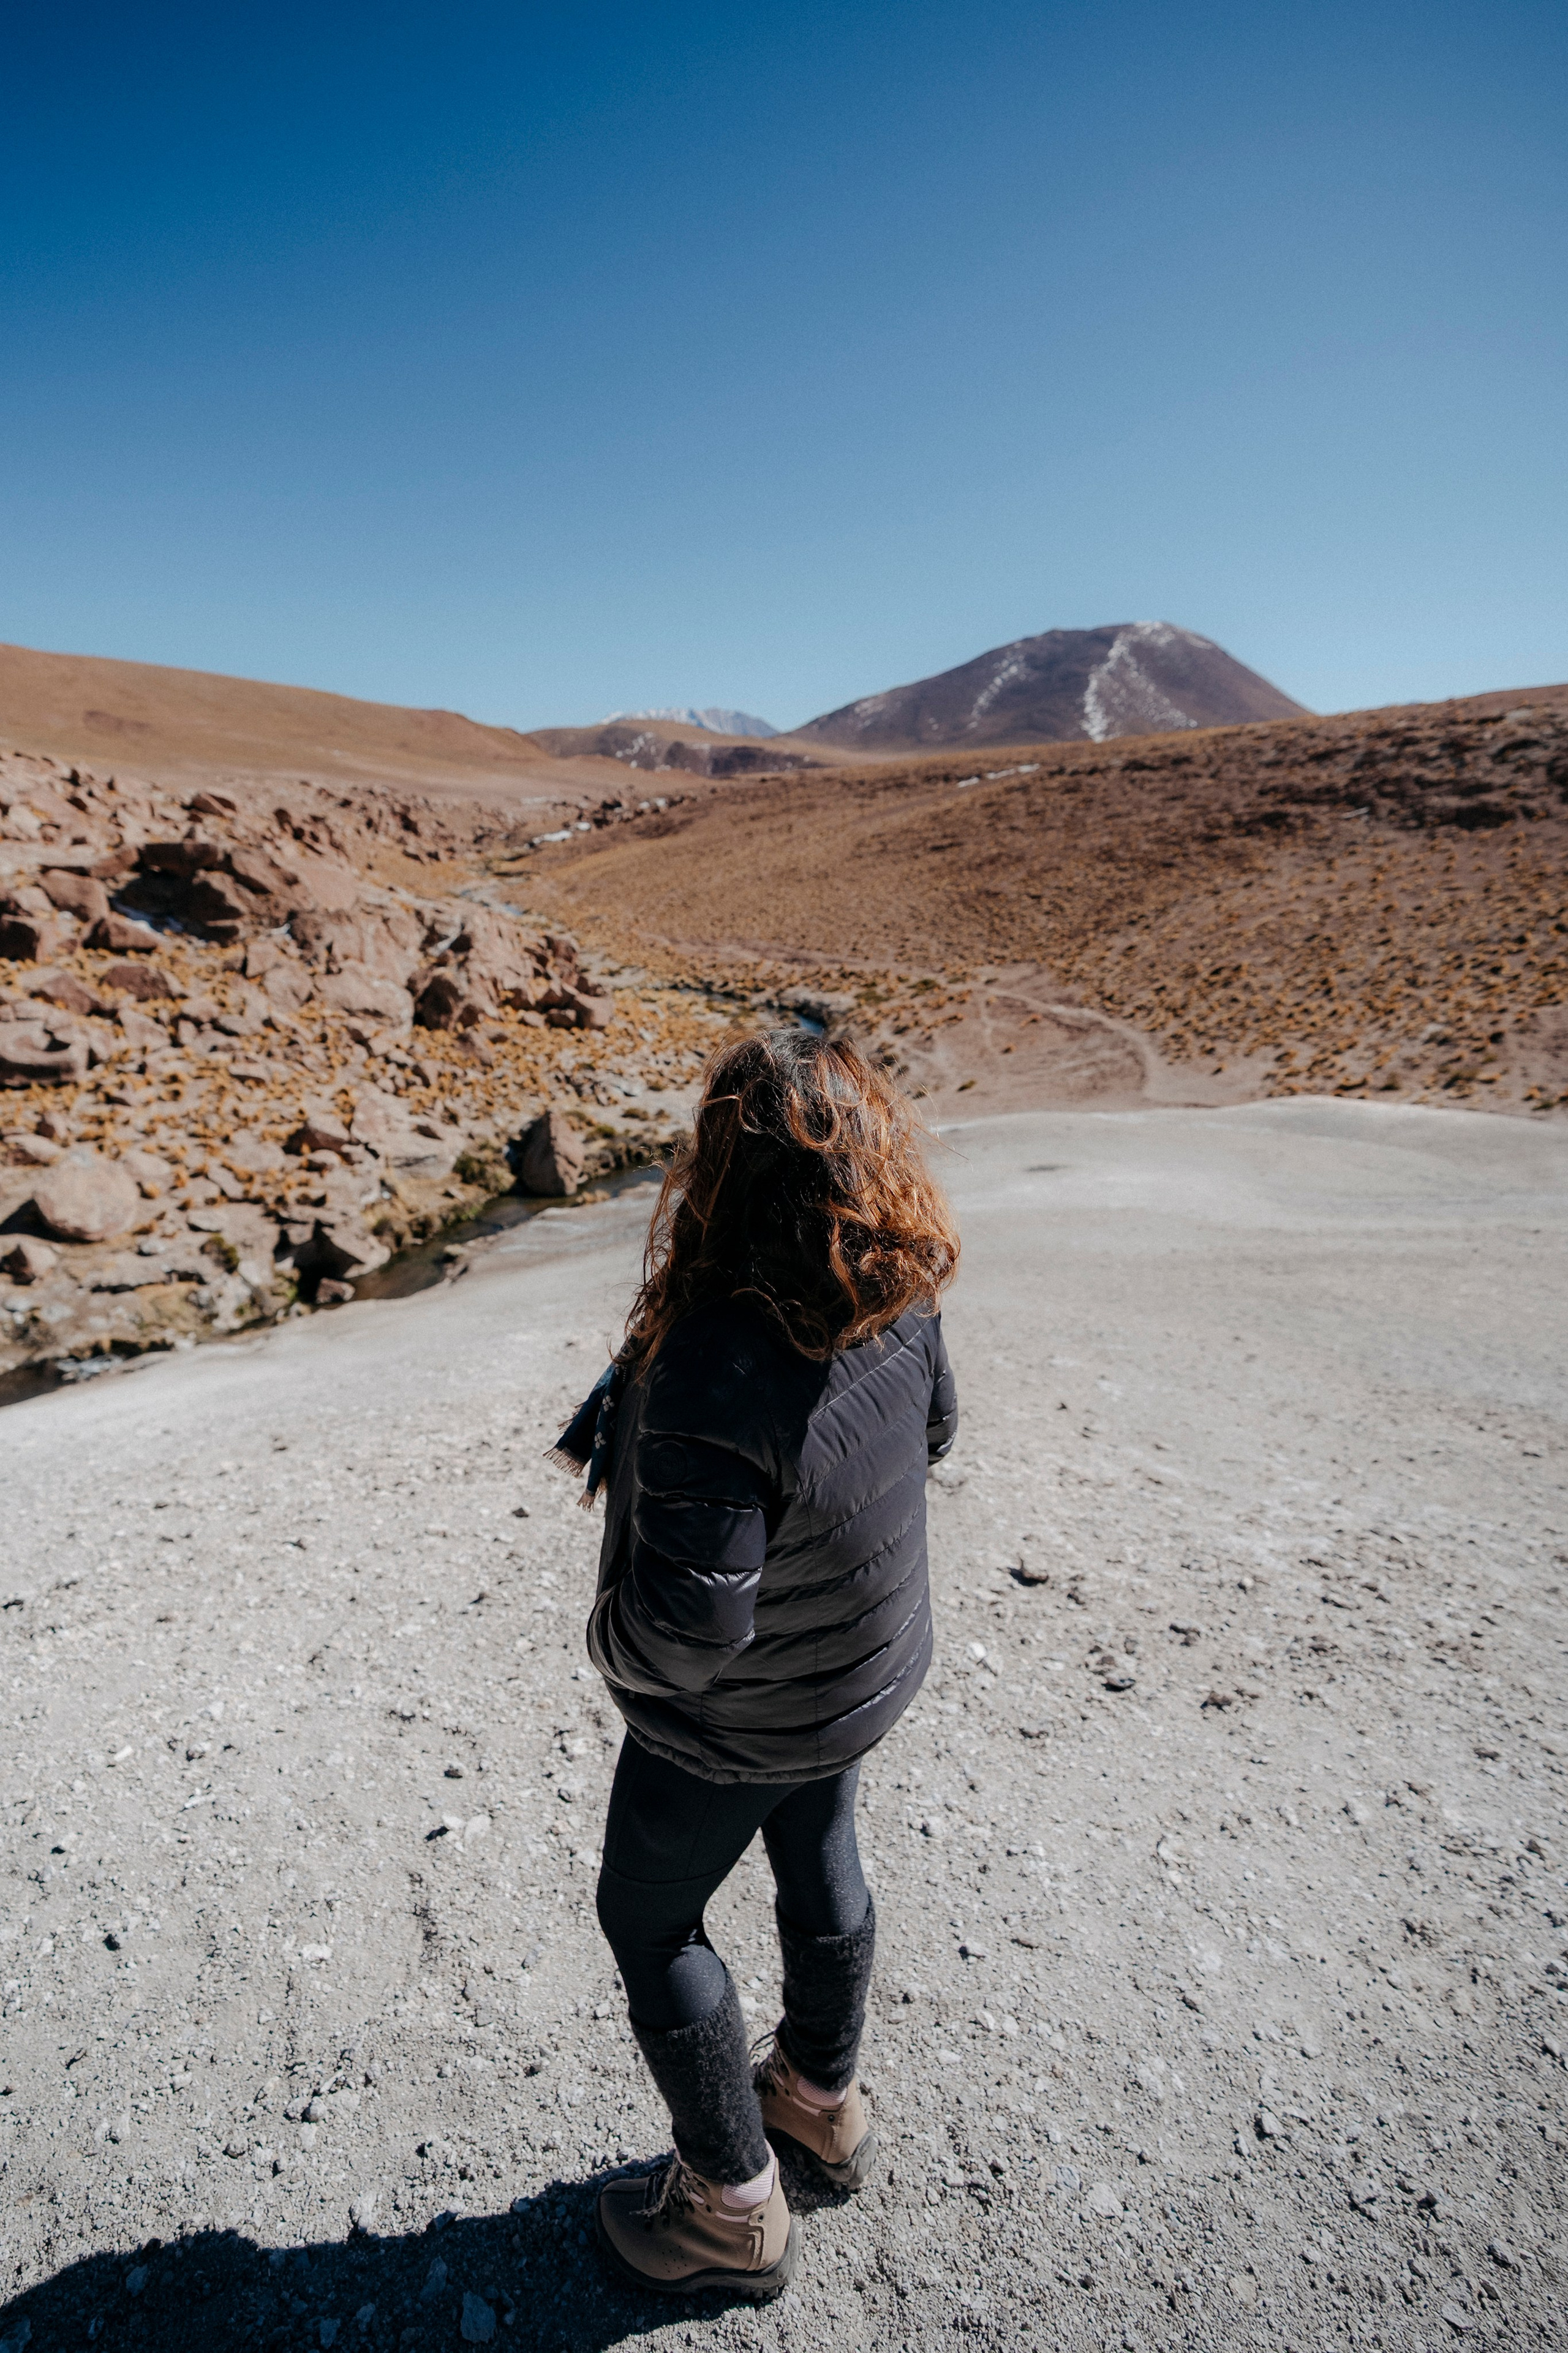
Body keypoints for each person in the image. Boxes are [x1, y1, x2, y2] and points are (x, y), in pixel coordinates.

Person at [550, 1029, 959, 2300]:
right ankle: (819, 2102)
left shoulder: (712, 1359)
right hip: (857, 1677)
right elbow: (933, 1430)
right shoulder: (894, 1279)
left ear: (719, 1167)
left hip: (732, 1722)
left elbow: (686, 1632)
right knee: (819, 1848)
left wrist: (604, 1646)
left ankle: (731, 2209)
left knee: (649, 1917)